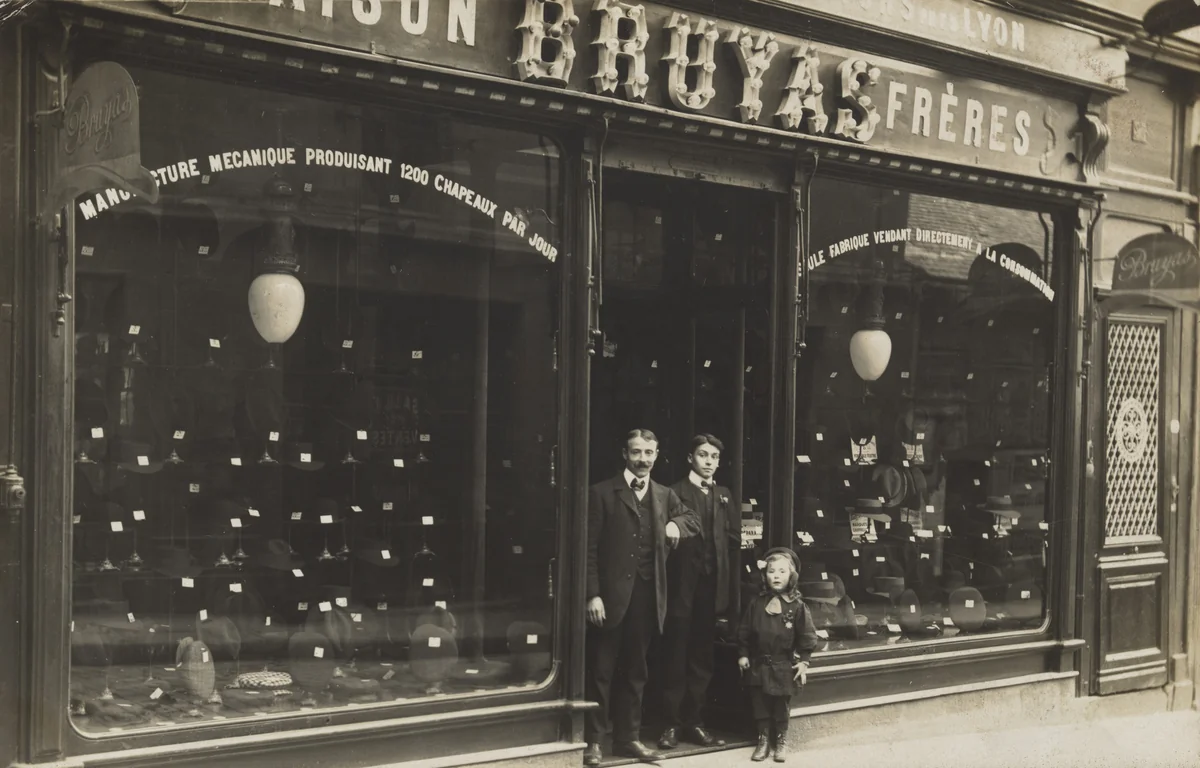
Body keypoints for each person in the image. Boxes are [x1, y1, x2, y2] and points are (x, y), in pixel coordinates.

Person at [584, 429, 701, 766]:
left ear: (657, 454)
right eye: (637, 452)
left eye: (649, 453)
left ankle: (628, 739)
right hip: (608, 599)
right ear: (625, 454)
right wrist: (593, 595)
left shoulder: (664, 495)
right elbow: (589, 551)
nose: (643, 460)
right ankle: (594, 741)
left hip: (648, 597)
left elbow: (692, 519)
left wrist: (675, 526)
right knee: (601, 670)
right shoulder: (602, 493)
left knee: (636, 671)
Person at [658, 434, 741, 750]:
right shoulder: (673, 492)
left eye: (714, 457)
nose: (709, 462)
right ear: (690, 458)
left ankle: (695, 722)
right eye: (703, 455)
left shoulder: (723, 494)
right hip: (680, 586)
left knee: (701, 657)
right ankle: (670, 724)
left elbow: (732, 537)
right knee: (675, 653)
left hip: (710, 587)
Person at [736, 547, 818, 763]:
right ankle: (763, 740)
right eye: (772, 571)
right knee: (760, 705)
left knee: (781, 706)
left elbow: (807, 636)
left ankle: (780, 741)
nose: (776, 576)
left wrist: (804, 662)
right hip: (760, 663)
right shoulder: (756, 603)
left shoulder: (797, 607)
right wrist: (743, 654)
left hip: (784, 665)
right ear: (765, 575)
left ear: (791, 576)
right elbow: (745, 631)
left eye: (782, 572)